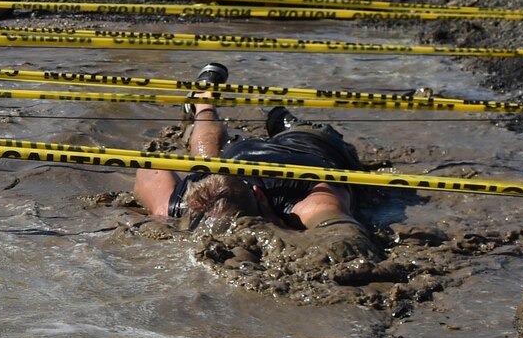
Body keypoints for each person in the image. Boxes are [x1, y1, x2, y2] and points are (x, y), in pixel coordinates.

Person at [132, 63, 379, 264]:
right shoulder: (185, 204)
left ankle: (278, 117)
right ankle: (203, 101)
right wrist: (165, 221)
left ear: (260, 195)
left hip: (309, 139)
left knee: (282, 122)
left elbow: (347, 238)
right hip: (236, 156)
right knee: (206, 162)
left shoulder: (310, 203)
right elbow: (150, 166)